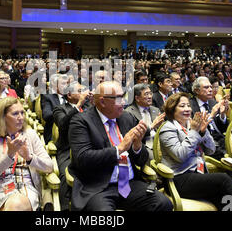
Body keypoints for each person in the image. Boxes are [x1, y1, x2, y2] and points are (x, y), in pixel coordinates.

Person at [68, 81, 173, 211]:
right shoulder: (81, 122)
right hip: (99, 187)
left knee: (163, 203)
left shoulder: (126, 117)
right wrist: (119, 148)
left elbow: (141, 159)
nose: (124, 102)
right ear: (102, 102)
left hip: (129, 183)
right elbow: (83, 159)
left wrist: (137, 146)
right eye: (119, 98)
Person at [159, 92, 232, 211]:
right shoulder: (168, 128)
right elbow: (180, 155)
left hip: (198, 175)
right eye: (182, 106)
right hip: (178, 178)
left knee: (226, 199)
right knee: (223, 179)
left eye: (188, 105)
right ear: (172, 109)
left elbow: (211, 150)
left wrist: (203, 133)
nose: (187, 109)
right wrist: (195, 132)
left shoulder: (193, 124)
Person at [0, 97, 53, 211]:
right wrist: (9, 155)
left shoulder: (30, 134)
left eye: (22, 112)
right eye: (15, 114)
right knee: (14, 205)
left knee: (16, 204)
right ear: (3, 117)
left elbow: (49, 167)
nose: (21, 117)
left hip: (26, 187)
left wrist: (29, 157)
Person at [53, 82, 91, 211]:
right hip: (68, 149)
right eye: (79, 91)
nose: (83, 94)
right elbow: (62, 125)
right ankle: (65, 208)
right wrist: (78, 104)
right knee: (65, 175)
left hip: (89, 148)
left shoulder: (89, 107)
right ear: (69, 95)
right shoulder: (60, 108)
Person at [189, 77, 229, 160]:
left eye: (211, 87)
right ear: (197, 90)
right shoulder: (189, 106)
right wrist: (211, 115)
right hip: (203, 143)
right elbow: (194, 131)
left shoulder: (212, 102)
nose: (211, 89)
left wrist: (222, 115)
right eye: (206, 87)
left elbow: (223, 129)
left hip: (220, 140)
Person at [124, 83, 165, 161]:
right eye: (146, 94)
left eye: (150, 93)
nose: (150, 97)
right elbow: (133, 135)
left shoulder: (155, 110)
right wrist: (152, 126)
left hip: (160, 143)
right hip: (143, 146)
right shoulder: (129, 113)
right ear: (137, 98)